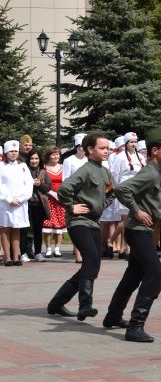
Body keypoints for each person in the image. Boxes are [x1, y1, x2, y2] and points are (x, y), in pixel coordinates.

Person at [102, 129, 161, 342]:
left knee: (134, 275)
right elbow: (122, 189)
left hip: (141, 231)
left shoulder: (155, 171)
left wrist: (154, 189)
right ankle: (135, 326)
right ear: (154, 151)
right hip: (138, 231)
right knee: (155, 272)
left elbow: (140, 187)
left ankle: (113, 316)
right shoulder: (150, 171)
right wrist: (137, 210)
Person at [47, 133, 115, 320]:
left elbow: (111, 192)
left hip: (93, 221)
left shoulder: (105, 171)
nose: (106, 151)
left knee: (93, 264)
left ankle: (57, 303)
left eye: (107, 148)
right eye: (102, 148)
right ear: (90, 150)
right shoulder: (85, 170)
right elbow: (63, 189)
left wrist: (100, 206)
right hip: (78, 222)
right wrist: (71, 207)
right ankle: (85, 304)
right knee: (91, 259)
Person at [1, 140, 32, 266]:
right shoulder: (1, 166)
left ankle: (16, 255)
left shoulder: (23, 166)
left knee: (16, 228)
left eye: (15, 151)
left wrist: (20, 198)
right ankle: (7, 256)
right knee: (5, 228)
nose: (13, 153)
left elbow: (28, 184)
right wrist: (9, 199)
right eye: (11, 151)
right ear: (6, 152)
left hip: (20, 203)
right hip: (5, 203)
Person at [21, 148, 50, 262]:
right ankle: (24, 252)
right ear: (28, 160)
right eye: (32, 158)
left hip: (38, 204)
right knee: (25, 229)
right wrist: (30, 184)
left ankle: (38, 252)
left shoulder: (43, 171)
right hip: (26, 203)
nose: (34, 161)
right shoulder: (24, 170)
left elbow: (48, 187)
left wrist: (39, 185)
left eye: (36, 158)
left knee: (38, 229)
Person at [42, 146, 67, 257]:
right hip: (49, 199)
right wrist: (50, 193)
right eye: (53, 154)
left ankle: (57, 248)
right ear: (48, 156)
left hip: (61, 199)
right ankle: (48, 248)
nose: (56, 156)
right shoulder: (44, 168)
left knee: (60, 224)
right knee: (48, 224)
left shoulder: (63, 167)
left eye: (57, 154)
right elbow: (42, 184)